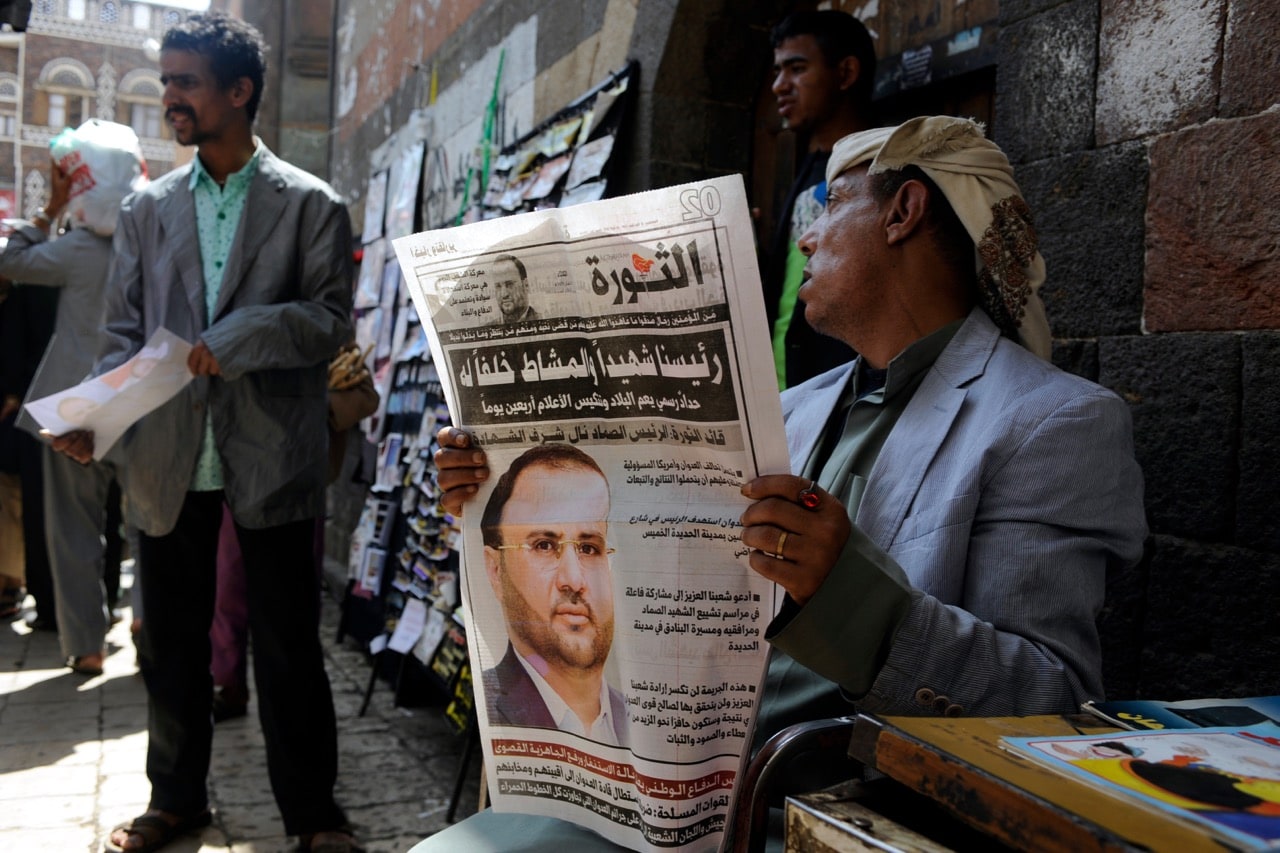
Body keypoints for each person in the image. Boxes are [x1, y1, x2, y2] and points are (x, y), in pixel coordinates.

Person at [414, 116, 1147, 851]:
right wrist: (492, 494)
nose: (805, 237)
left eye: (831, 203)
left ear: (903, 212)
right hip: (655, 773)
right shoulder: (789, 407)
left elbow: (1050, 705)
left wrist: (852, 595)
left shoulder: (1052, 421)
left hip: (811, 807)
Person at [47, 12, 361, 853]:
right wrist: (95, 419)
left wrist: (235, 340)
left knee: (288, 647)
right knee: (171, 647)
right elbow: (123, 337)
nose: (170, 97)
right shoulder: (147, 210)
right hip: (166, 460)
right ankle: (175, 798)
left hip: (273, 458)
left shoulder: (312, 205)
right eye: (168, 80)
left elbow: (331, 323)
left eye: (185, 81)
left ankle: (314, 814)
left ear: (239, 91)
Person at [0, 130, 143, 673]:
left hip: (70, 405)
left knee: (73, 528)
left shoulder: (76, 249)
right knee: (147, 521)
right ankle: (143, 620)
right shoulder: (146, 242)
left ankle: (86, 646)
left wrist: (51, 207)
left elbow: (12, 259)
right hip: (135, 398)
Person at [479, 444, 628, 746]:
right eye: (544, 545)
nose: (573, 580)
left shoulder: (644, 721)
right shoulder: (487, 702)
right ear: (496, 570)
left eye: (589, 548)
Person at [764, 9, 876, 390]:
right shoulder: (810, 167)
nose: (779, 85)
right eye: (778, 71)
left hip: (841, 397)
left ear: (845, 73)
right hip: (787, 397)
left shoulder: (878, 170)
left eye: (796, 69)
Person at [491, 253, 539, 323]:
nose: (504, 294)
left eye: (509, 284)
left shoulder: (545, 321)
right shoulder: (487, 329)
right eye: (498, 286)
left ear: (526, 285)